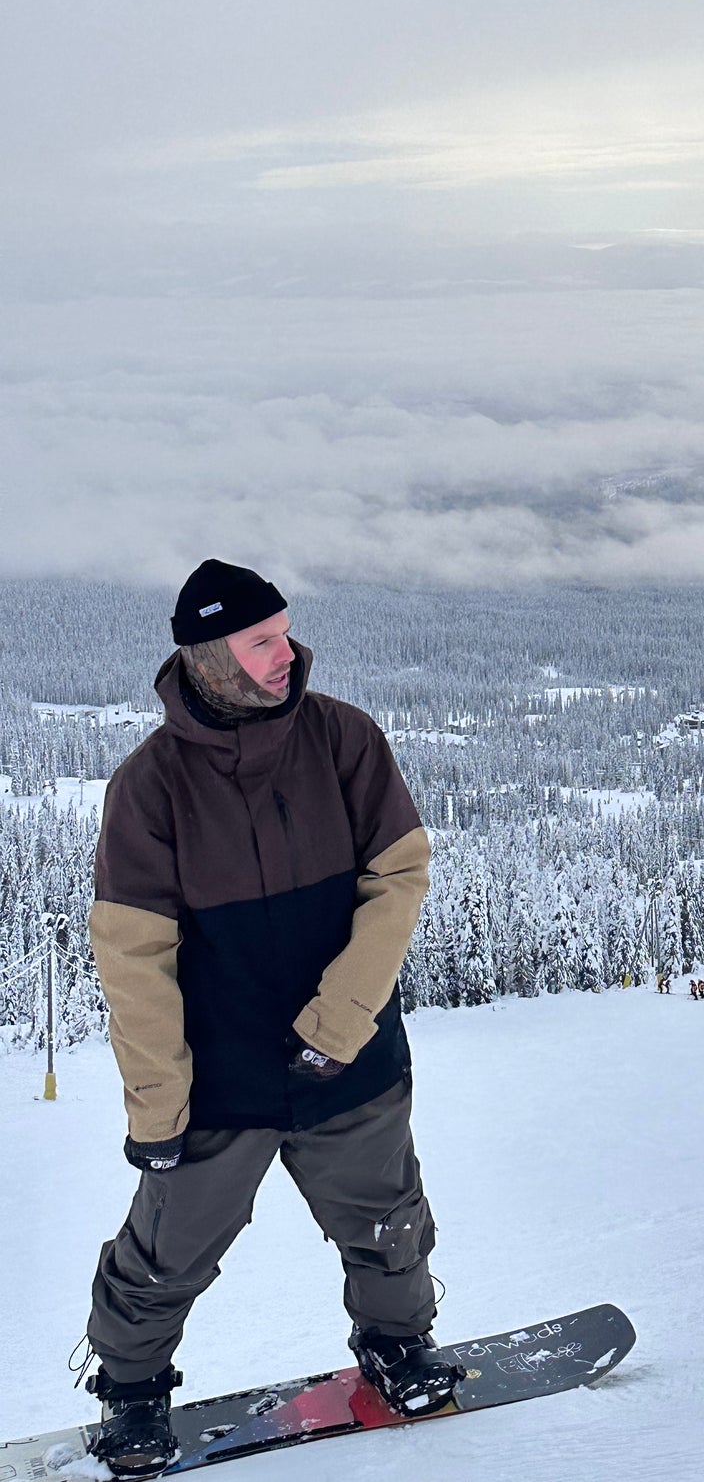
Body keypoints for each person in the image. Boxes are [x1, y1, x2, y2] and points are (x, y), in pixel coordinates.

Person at [81, 560, 457, 1476]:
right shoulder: (151, 786)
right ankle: (131, 1394)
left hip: (350, 1052)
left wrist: (341, 1020)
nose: (284, 653)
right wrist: (158, 1109)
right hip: (222, 1077)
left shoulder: (344, 740)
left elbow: (397, 879)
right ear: (207, 654)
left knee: (387, 1222)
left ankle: (396, 1345)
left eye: (283, 632)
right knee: (166, 1253)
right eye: (260, 641)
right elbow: (133, 961)